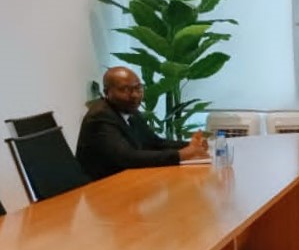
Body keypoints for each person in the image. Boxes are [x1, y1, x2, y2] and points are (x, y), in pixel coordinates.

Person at [76, 67, 208, 180]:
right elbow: (127, 157)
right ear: (107, 92)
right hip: (100, 187)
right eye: (125, 90)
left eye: (138, 88)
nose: (134, 95)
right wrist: (180, 155)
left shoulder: (130, 110)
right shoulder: (101, 116)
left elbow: (155, 143)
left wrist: (191, 146)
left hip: (127, 180)